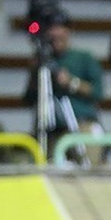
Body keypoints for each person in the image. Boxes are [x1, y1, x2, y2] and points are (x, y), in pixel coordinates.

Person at [23, 14, 105, 166]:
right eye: (51, 30)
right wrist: (35, 74)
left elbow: (98, 92)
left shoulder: (84, 58)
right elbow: (28, 99)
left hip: (81, 124)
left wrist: (71, 82)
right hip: (51, 130)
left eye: (60, 29)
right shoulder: (41, 63)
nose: (55, 34)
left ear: (68, 31)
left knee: (89, 167)